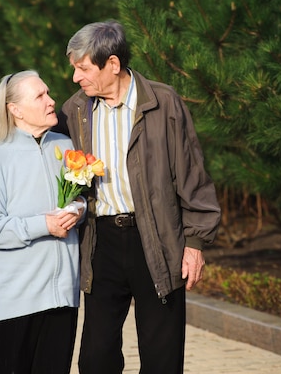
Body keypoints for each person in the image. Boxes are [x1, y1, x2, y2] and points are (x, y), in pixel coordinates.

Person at [55, 20, 221, 374]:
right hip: (101, 243)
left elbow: (193, 176)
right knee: (95, 359)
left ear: (112, 65)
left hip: (158, 241)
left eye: (82, 68)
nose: (75, 78)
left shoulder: (164, 103)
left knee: (162, 358)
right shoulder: (75, 111)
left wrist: (195, 243)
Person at [0, 70, 84, 374]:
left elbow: (80, 197)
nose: (52, 101)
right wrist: (43, 225)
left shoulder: (65, 146)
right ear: (15, 110)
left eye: (48, 93)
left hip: (61, 296)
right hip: (13, 300)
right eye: (40, 96)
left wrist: (78, 209)